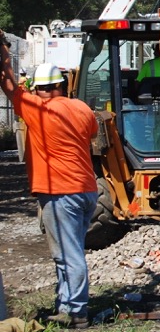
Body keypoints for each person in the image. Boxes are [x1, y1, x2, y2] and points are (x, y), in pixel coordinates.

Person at [0, 32, 98, 329]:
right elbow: (92, 134)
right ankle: (67, 303)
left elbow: (7, 83)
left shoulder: (37, 108)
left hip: (60, 192)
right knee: (70, 249)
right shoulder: (81, 108)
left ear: (39, 88)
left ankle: (77, 312)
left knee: (69, 253)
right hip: (87, 190)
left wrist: (2, 48)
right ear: (62, 85)